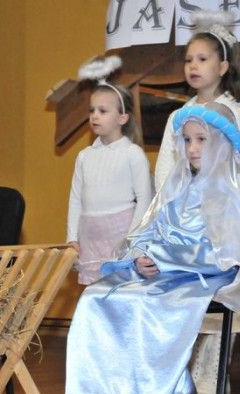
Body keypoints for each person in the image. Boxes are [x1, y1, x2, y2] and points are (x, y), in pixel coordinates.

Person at [65, 104, 240, 394]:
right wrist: (140, 256)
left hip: (205, 275)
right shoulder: (177, 183)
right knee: (98, 298)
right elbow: (148, 229)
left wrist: (165, 259)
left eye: (202, 140)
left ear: (222, 141)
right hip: (162, 271)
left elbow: (232, 252)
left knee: (153, 307)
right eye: (187, 140)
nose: (192, 148)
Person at [154, 9, 240, 394]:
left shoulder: (235, 113)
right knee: (181, 290)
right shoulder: (177, 116)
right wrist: (168, 212)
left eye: (202, 59)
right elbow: (165, 168)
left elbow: (237, 167)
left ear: (223, 66)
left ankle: (214, 366)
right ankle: (185, 364)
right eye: (188, 59)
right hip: (183, 220)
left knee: (218, 287)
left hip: (220, 221)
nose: (193, 66)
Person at [67, 57, 152, 285]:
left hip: (120, 236)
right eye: (92, 110)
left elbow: (145, 200)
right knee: (93, 292)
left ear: (122, 118)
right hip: (90, 236)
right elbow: (75, 199)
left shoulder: (133, 154)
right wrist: (72, 237)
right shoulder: (84, 156)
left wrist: (131, 241)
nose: (95, 115)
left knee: (121, 292)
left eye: (103, 110)